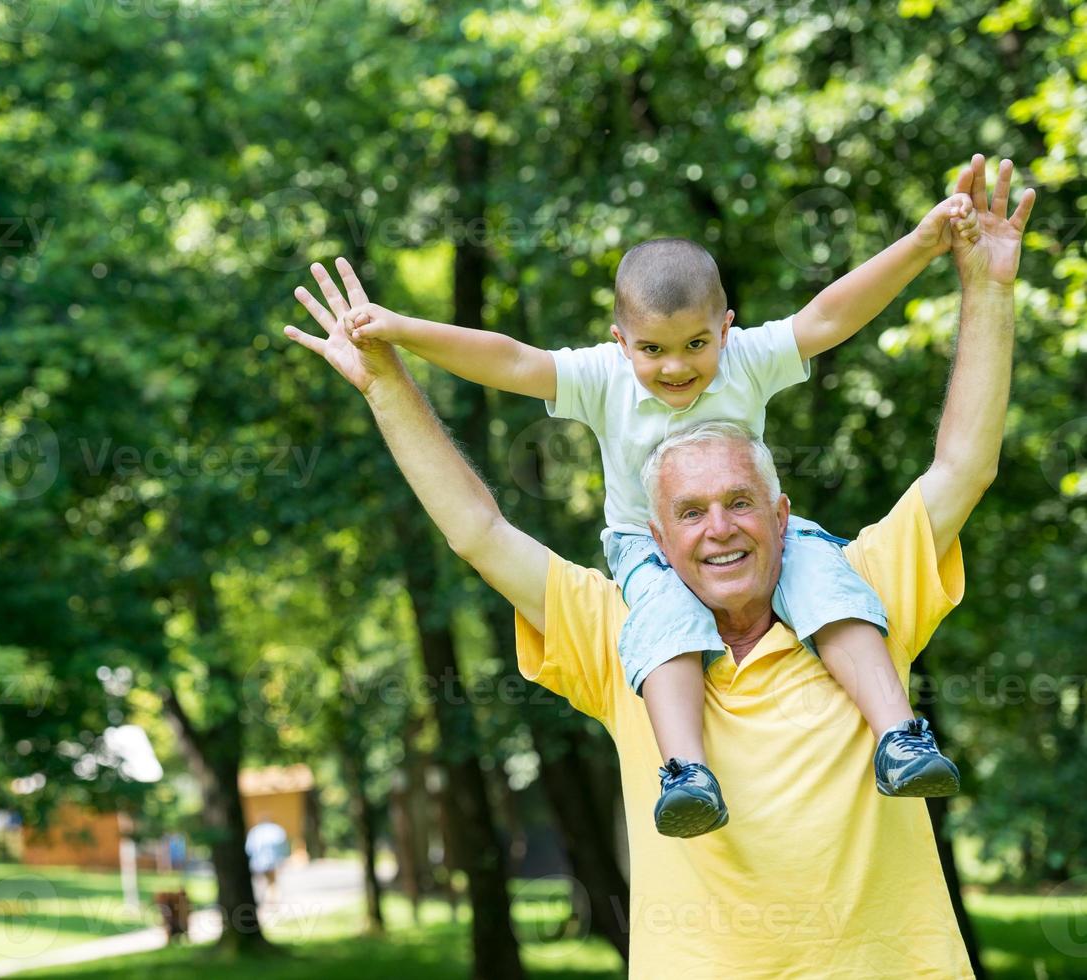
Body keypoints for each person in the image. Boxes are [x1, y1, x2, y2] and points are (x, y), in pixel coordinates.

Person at [283, 154, 1032, 976]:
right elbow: (478, 526)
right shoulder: (624, 629)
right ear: (657, 535)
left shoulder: (858, 593)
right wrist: (393, 372)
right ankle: (687, 773)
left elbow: (958, 460)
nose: (718, 530)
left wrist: (983, 286)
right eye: (689, 512)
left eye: (740, 503)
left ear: (781, 514)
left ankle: (902, 740)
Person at [322, 194, 980, 839]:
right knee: (665, 625)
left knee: (832, 589)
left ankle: (898, 738)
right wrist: (402, 331)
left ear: (724, 328)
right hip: (646, 546)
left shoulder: (747, 358)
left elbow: (831, 315)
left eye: (695, 344)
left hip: (763, 533)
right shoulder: (602, 377)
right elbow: (509, 358)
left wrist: (921, 244)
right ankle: (687, 772)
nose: (675, 367)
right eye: (652, 350)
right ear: (620, 342)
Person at [245, 820, 289, 902]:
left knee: (262, 882)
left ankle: (266, 899)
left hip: (258, 863)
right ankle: (273, 899)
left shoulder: (254, 831)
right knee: (273, 881)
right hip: (273, 861)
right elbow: (283, 845)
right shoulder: (276, 829)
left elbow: (248, 849)